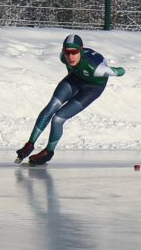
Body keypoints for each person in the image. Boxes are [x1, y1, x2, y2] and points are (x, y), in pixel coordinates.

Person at [17, 34, 124, 165]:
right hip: (76, 79)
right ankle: (29, 145)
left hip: (92, 88)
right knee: (50, 107)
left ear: (81, 50)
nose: (70, 56)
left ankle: (48, 152)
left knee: (58, 119)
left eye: (74, 52)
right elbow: (70, 65)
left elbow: (121, 71)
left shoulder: (96, 68)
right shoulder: (63, 58)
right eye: (67, 52)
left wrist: (112, 71)